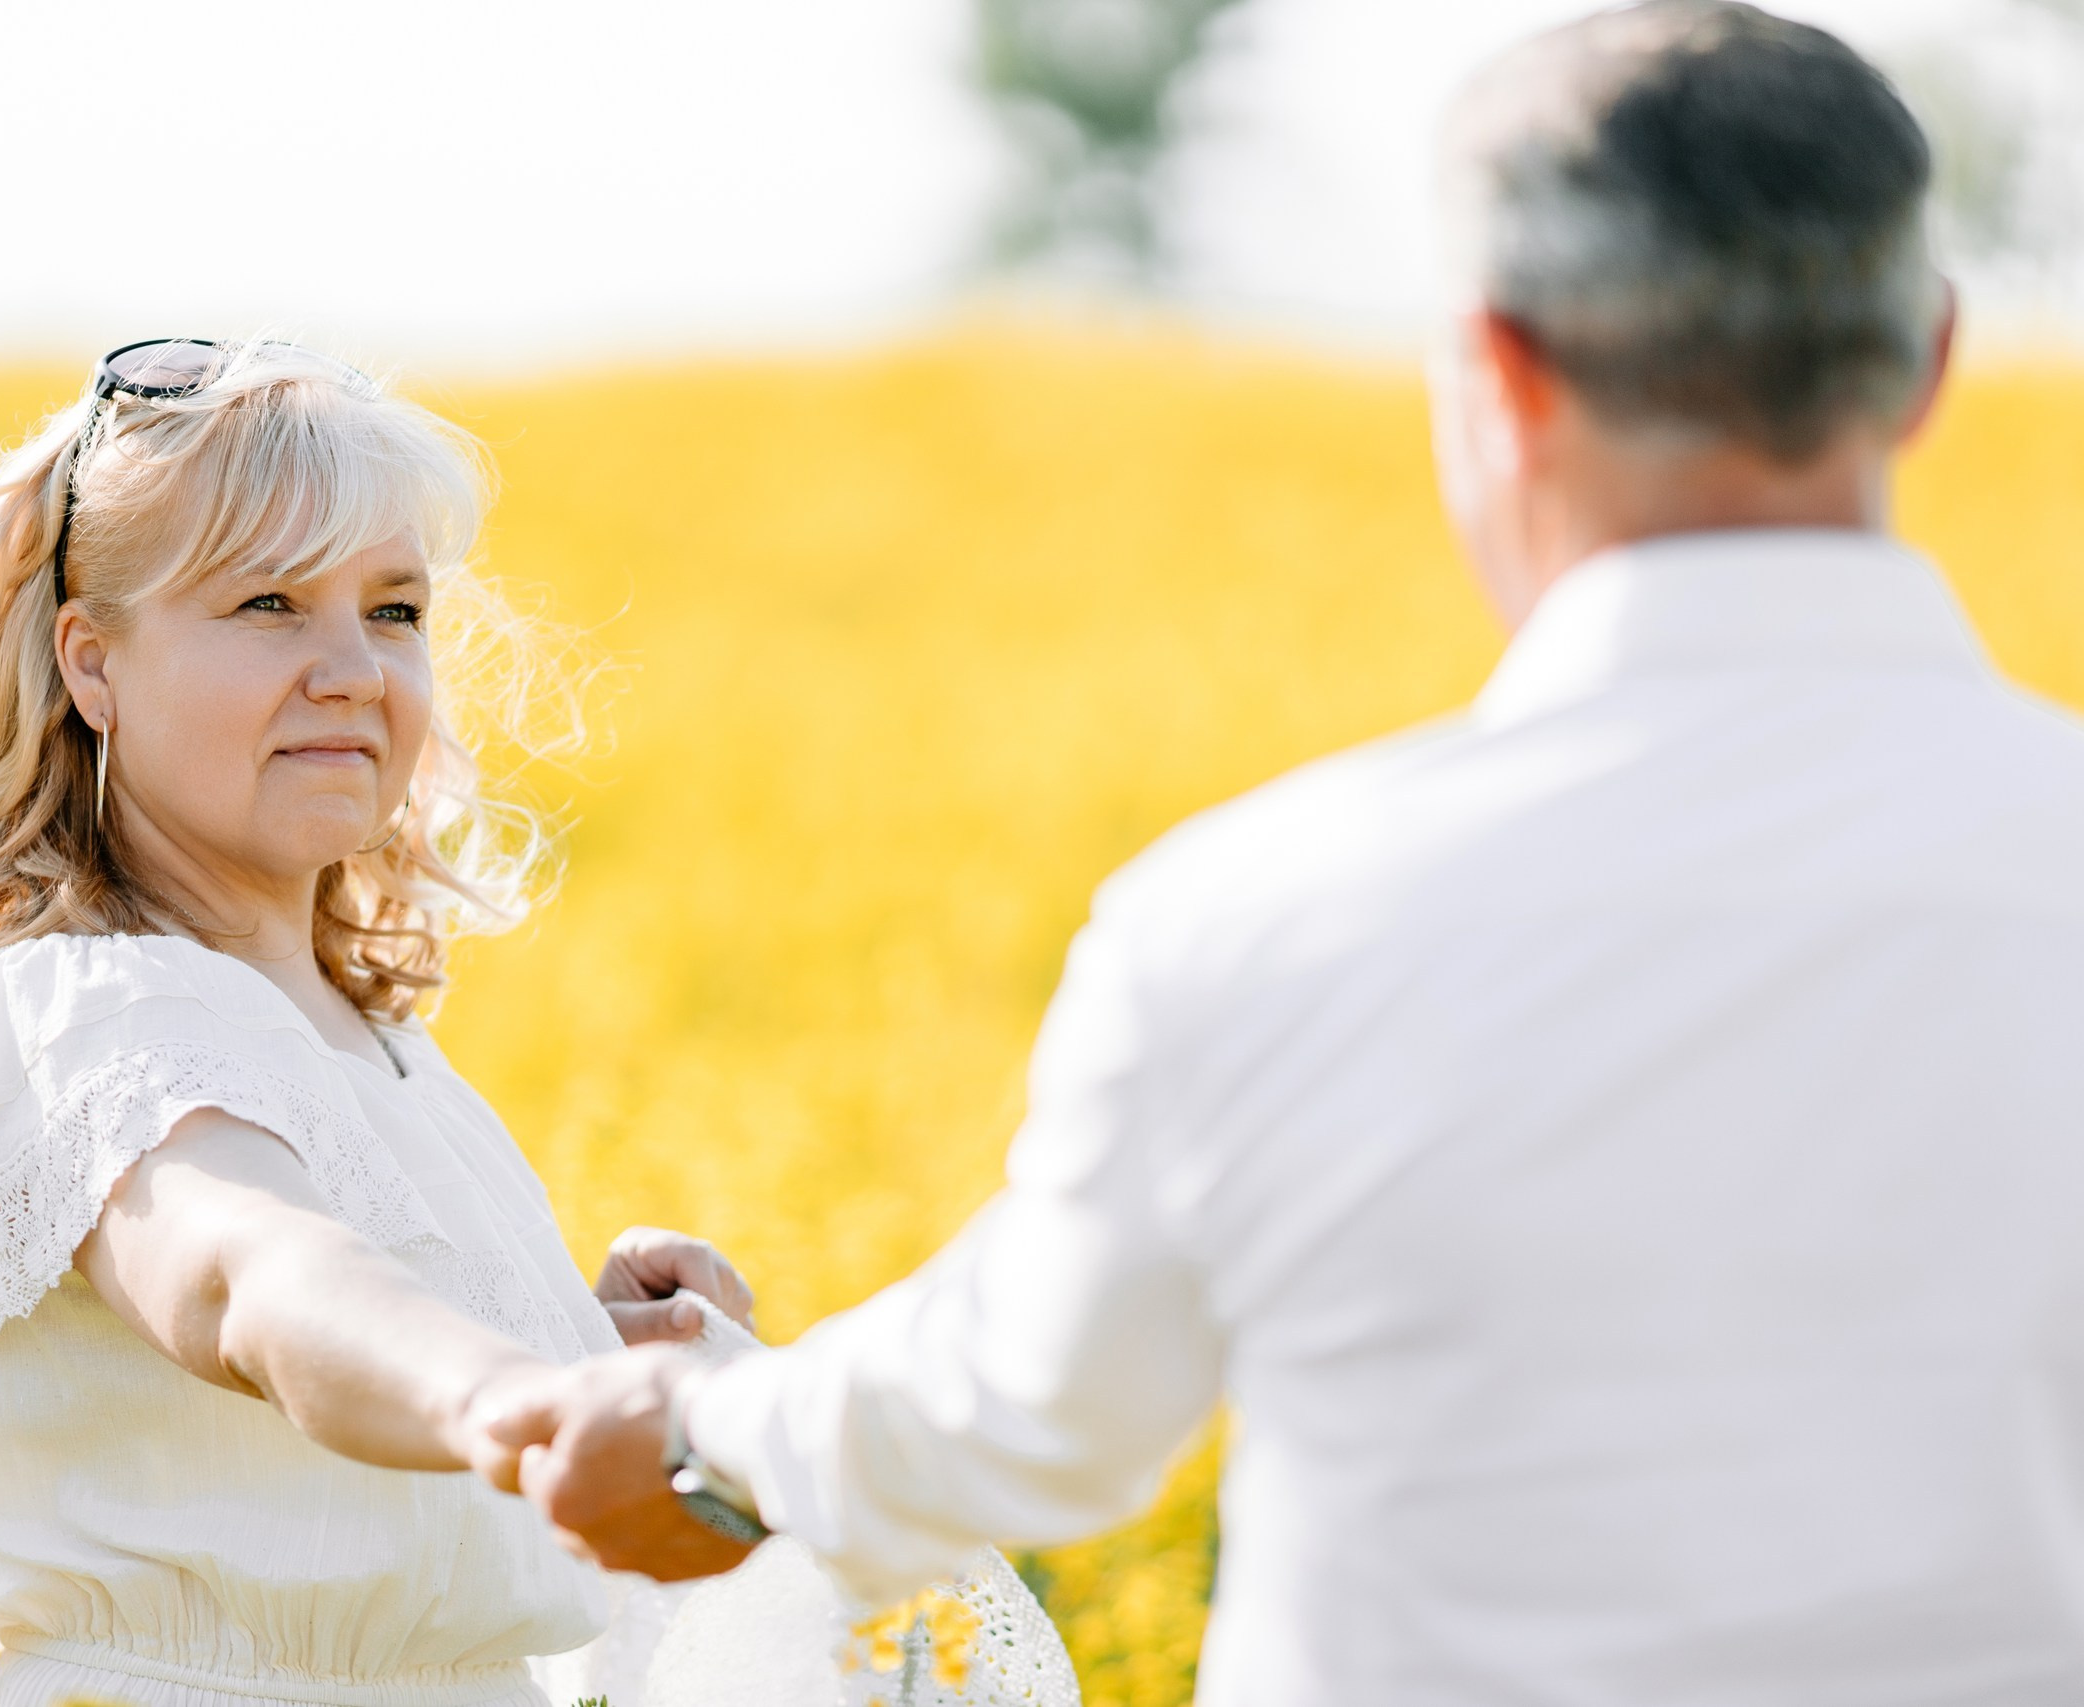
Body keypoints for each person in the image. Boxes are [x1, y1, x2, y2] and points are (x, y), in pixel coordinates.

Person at [492, 5, 2084, 1701]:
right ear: (1925, 359)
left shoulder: (1266, 918)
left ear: (1500, 373)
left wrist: (709, 1434)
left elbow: (1021, 1407)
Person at [0, 337, 758, 1707]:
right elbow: (248, 1277)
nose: (350, 669)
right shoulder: (78, 1008)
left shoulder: (369, 1042)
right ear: (93, 667)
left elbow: (317, 1449)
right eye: (270, 602)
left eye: (393, 612)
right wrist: (516, 1403)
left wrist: (578, 1344)